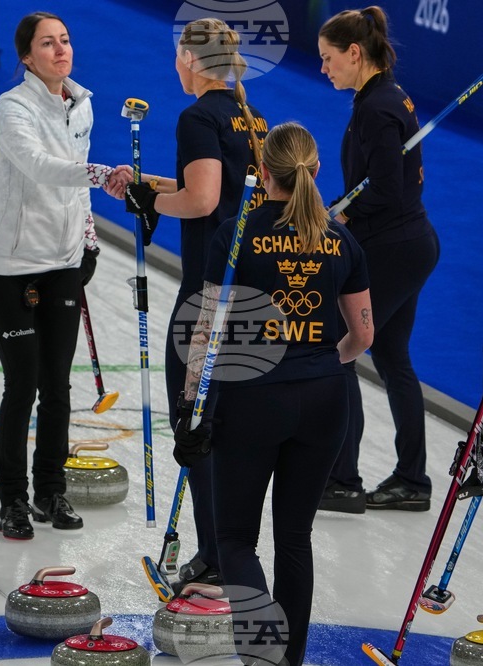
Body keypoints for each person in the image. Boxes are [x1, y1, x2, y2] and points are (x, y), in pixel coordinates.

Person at [175, 121, 372, 666]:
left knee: (235, 538)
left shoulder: (237, 234)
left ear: (263, 172)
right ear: (316, 172)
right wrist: (319, 364)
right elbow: (363, 336)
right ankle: (289, 661)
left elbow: (207, 330)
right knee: (295, 538)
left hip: (253, 400)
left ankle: (261, 647)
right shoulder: (340, 238)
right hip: (328, 399)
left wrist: (190, 406)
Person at [123, 16, 268, 593]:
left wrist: (153, 203)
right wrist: (149, 185)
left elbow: (203, 199)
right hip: (250, 290)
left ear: (188, 57)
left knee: (195, 421)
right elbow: (229, 191)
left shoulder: (198, 115)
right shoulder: (249, 115)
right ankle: (233, 544)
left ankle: (213, 556)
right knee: (230, 425)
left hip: (209, 292)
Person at [0, 11, 132, 541]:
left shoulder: (81, 104)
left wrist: (87, 237)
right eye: (48, 44)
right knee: (22, 387)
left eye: (65, 40)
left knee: (57, 388)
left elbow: (75, 188)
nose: (61, 50)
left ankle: (50, 491)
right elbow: (41, 166)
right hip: (9, 265)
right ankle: (13, 502)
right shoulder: (11, 109)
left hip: (63, 262)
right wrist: (102, 174)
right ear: (26, 56)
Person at [315, 6, 439, 513]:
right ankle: (411, 479)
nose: (324, 69)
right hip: (407, 244)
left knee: (338, 346)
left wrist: (343, 216)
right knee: (390, 357)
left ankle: (342, 478)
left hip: (391, 248)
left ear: (354, 53)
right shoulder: (379, 97)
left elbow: (386, 189)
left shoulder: (378, 108)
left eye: (329, 59)